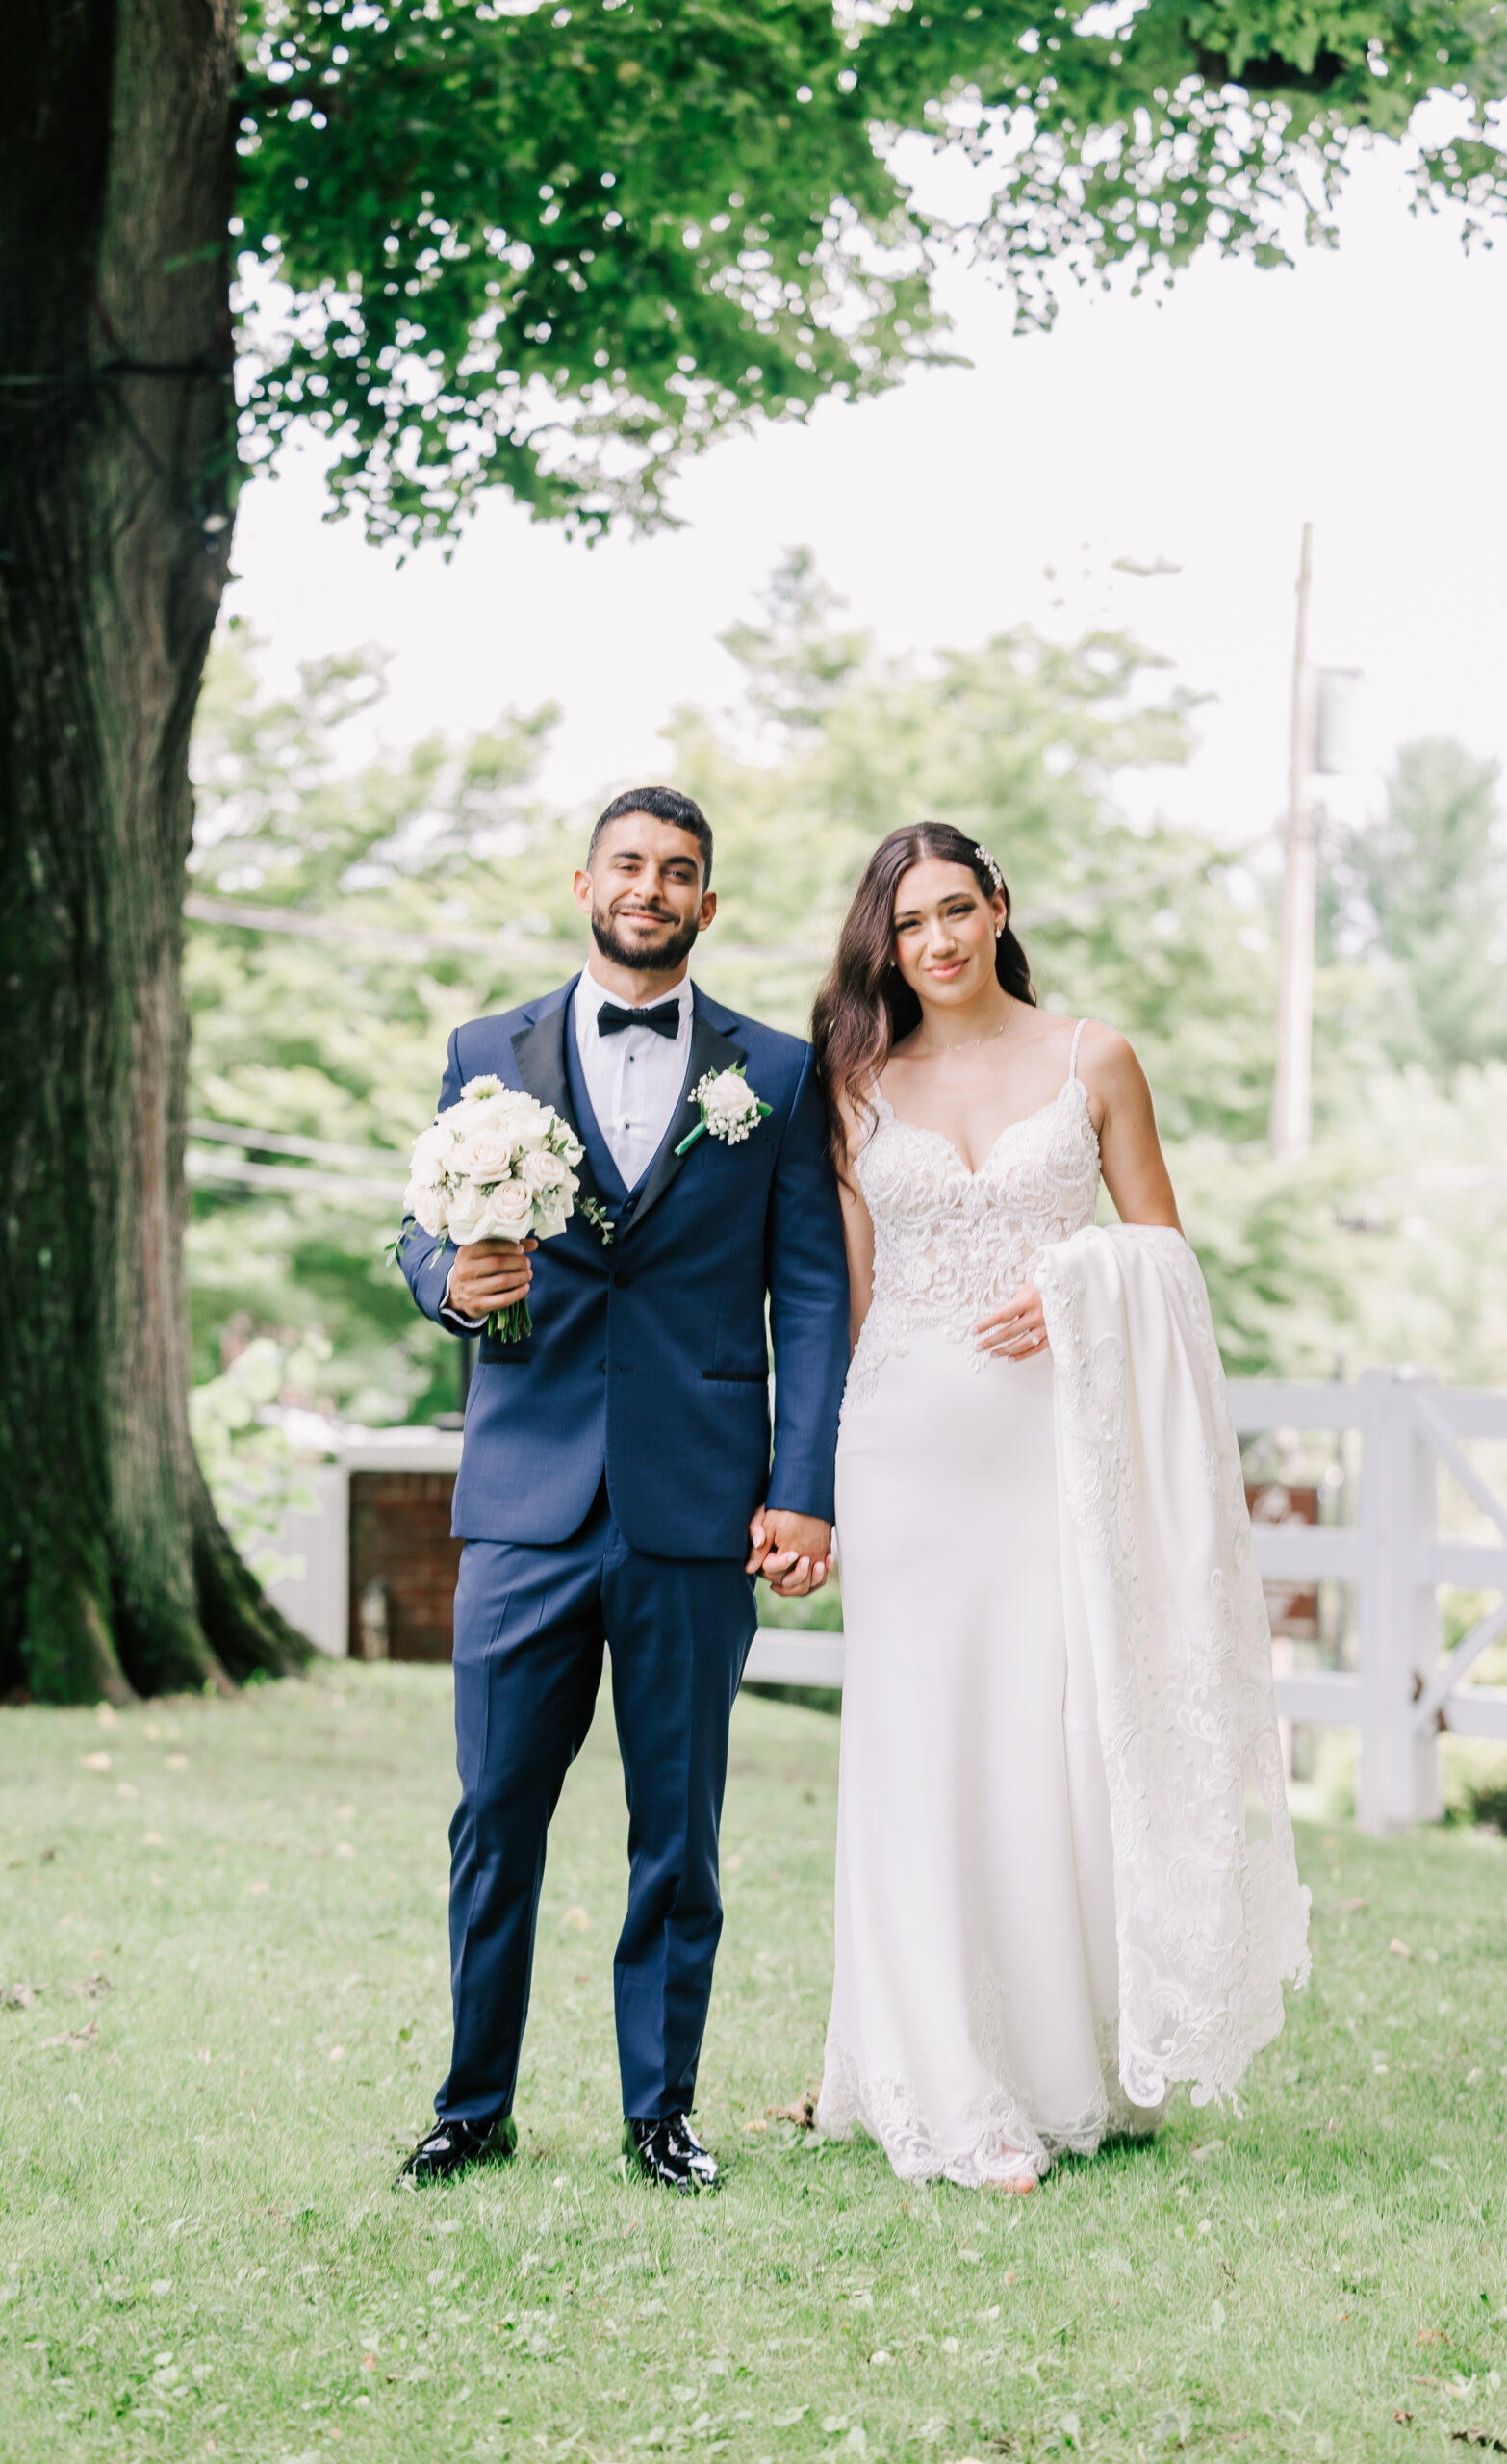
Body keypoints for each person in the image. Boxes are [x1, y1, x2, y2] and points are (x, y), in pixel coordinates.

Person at [809, 823, 1311, 2192]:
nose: (939, 941)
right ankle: (941, 2083)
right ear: (886, 945)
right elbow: (841, 1304)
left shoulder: (1093, 1058)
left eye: (957, 909)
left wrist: (1086, 1280)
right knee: (918, 1745)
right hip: (904, 1448)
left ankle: (1061, 2064)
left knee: (1049, 1738)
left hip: (1054, 1456)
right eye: (910, 924)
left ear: (999, 907)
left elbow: (1168, 1254)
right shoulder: (857, 1082)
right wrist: (807, 1491)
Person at [395, 786, 849, 2192]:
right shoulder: (489, 1052)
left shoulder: (774, 1072)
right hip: (525, 1502)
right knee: (495, 1821)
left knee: (680, 1828)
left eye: (682, 873)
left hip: (697, 1508)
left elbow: (815, 1296)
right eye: (631, 865)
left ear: (708, 907)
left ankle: (663, 2113)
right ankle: (474, 2107)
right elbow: (419, 1236)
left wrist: (803, 1486)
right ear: (583, 883)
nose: (652, 888)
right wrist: (453, 1285)